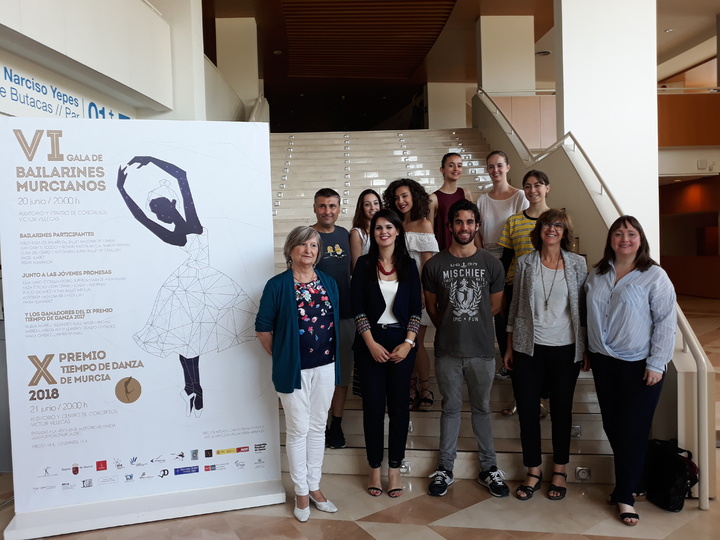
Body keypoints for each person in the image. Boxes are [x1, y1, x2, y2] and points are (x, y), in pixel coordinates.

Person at [117, 156, 256, 418]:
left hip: (204, 286)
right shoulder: (173, 231)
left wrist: (150, 160)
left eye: (160, 208)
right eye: (156, 211)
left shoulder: (189, 224)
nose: (158, 214)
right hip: (184, 290)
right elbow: (142, 219)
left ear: (172, 203)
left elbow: (181, 176)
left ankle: (194, 388)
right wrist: (122, 190)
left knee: (191, 342)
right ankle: (192, 387)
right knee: (185, 344)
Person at [585, 215, 676, 526]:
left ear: (641, 239)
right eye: (619, 233)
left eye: (631, 234)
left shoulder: (654, 276)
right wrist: (587, 349)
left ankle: (625, 495)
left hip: (639, 365)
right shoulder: (597, 274)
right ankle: (633, 482)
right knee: (613, 425)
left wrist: (656, 363)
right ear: (611, 239)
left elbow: (666, 322)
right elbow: (587, 316)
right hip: (602, 361)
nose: (625, 239)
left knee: (632, 430)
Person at [422, 199, 509, 498]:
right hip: (448, 351)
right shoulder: (434, 265)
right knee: (450, 409)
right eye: (458, 222)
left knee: (483, 409)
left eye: (470, 222)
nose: (464, 227)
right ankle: (445, 469)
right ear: (449, 226)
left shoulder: (491, 264)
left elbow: (495, 307)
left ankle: (489, 468)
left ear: (477, 226)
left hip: (483, 351)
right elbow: (432, 309)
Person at [255, 226, 341, 522]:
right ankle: (301, 491)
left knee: (318, 427)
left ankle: (315, 487)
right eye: (303, 245)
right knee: (298, 428)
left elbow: (333, 324)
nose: (308, 250)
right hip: (293, 370)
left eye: (314, 246)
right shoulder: (277, 285)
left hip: (326, 365)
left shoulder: (328, 282)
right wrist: (283, 356)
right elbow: (263, 327)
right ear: (290, 250)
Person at [503, 209, 588, 501]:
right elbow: (514, 307)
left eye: (558, 226)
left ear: (565, 232)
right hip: (529, 347)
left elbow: (584, 311)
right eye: (547, 225)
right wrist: (510, 344)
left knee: (561, 410)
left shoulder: (578, 264)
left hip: (566, 349)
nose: (551, 229)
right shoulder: (525, 262)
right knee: (528, 410)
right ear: (539, 230)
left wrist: (585, 347)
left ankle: (560, 471)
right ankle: (534, 470)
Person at [351, 209, 422, 498]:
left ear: (397, 231)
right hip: (371, 341)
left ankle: (394, 470)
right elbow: (357, 307)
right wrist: (369, 342)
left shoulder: (409, 264)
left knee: (400, 408)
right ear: (374, 233)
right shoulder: (364, 264)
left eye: (389, 227)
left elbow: (416, 309)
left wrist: (408, 343)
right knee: (373, 408)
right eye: (378, 227)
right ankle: (374, 469)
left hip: (400, 342)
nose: (384, 231)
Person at [384, 178, 438, 408]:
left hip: (417, 293)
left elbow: (428, 264)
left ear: (414, 196)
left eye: (405, 196)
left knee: (417, 342)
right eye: (396, 198)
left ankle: (424, 388)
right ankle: (408, 386)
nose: (401, 201)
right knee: (400, 341)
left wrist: (425, 293)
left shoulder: (424, 224)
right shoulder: (392, 224)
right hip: (394, 292)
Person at [495, 170, 552, 386]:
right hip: (516, 288)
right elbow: (505, 259)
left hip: (548, 290)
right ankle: (519, 384)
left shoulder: (556, 220)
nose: (532, 190)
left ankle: (543, 388)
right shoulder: (514, 221)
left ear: (547, 188)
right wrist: (499, 292)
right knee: (514, 337)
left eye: (538, 185)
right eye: (527, 186)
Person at [311, 188, 353, 449]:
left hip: (346, 314)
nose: (328, 211)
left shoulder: (346, 235)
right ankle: (317, 423)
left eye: (332, 206)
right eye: (322, 206)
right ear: (315, 208)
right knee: (317, 373)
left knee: (342, 373)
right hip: (317, 318)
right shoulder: (308, 236)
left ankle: (335, 424)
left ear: (339, 208)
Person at [428, 152, 474, 251]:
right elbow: (429, 233)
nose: (456, 169)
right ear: (442, 170)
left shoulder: (466, 193)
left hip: (465, 251)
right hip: (443, 251)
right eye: (451, 165)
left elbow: (473, 225)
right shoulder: (434, 198)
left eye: (459, 165)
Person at [349, 189, 382, 271]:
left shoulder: (385, 230)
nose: (373, 207)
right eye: (367, 204)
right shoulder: (357, 233)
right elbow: (356, 267)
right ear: (362, 208)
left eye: (376, 203)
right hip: (367, 279)